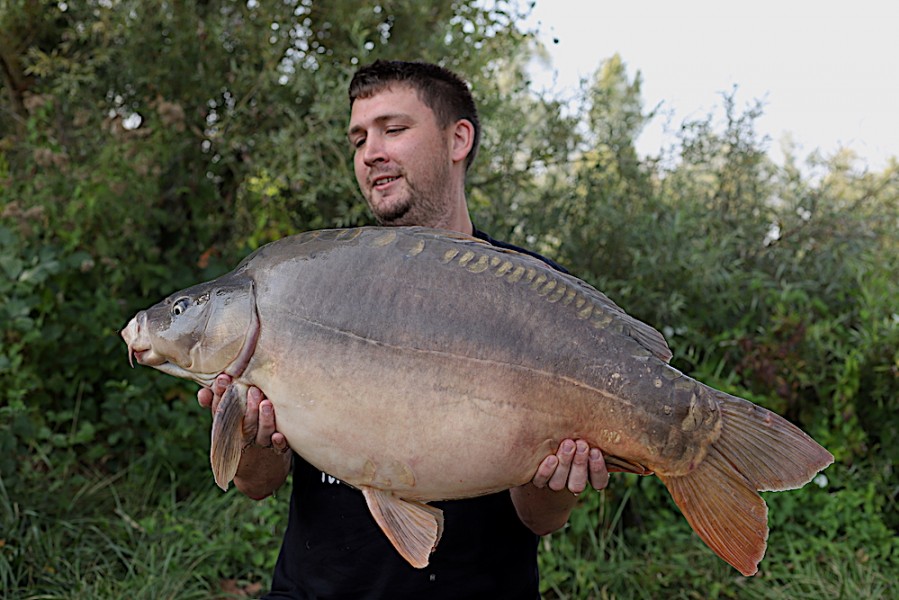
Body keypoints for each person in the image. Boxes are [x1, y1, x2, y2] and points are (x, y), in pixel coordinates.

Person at [198, 60, 609, 599]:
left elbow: (539, 520)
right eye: (358, 138)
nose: (371, 152)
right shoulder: (308, 280)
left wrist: (557, 479)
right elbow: (256, 484)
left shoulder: (531, 297)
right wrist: (253, 437)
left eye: (393, 129)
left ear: (458, 138)